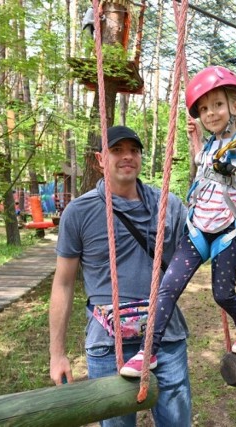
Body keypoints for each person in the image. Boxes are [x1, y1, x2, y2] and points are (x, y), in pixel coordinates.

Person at [121, 65, 236, 377]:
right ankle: (149, 352)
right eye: (204, 108)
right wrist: (195, 142)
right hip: (197, 229)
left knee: (222, 293)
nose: (211, 113)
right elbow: (203, 161)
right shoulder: (211, 146)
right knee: (167, 289)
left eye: (217, 105)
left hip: (226, 232)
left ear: (235, 106)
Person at [49, 125, 192, 427]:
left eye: (133, 150)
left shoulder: (169, 205)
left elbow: (195, 252)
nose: (127, 157)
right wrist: (57, 354)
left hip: (165, 338)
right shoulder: (79, 212)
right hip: (108, 344)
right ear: (101, 159)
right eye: (117, 150)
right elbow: (62, 284)